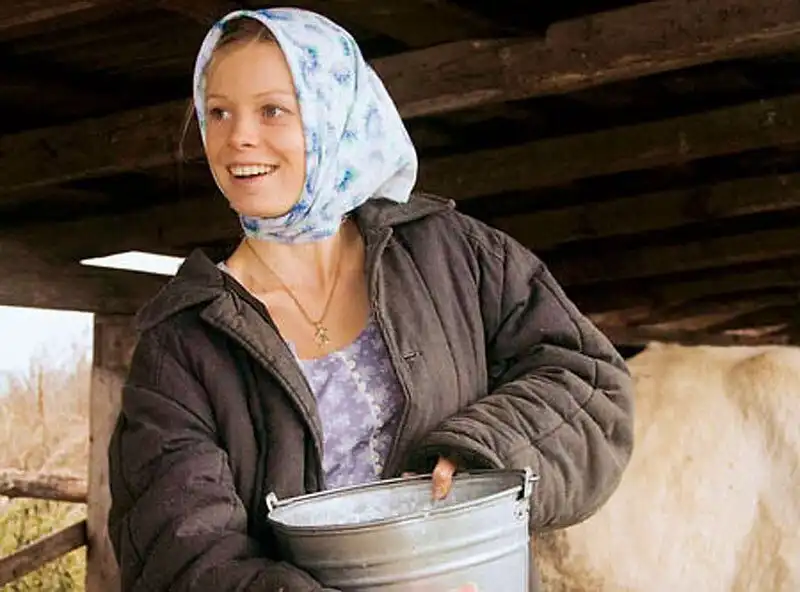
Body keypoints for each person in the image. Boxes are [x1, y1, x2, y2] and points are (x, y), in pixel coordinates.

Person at [106, 7, 635, 592]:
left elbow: (588, 384)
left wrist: (484, 452)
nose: (238, 138)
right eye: (219, 112)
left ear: (335, 111)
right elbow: (182, 557)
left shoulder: (451, 254)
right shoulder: (182, 343)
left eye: (273, 110)